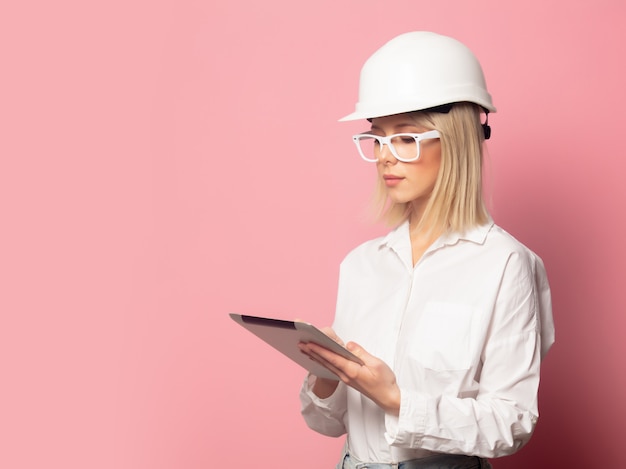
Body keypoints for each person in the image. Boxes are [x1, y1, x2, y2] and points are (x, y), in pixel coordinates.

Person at [298, 31, 555, 469]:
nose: (384, 157)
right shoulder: (362, 265)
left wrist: (395, 398)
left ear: (455, 141)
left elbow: (512, 421)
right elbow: (329, 424)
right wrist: (326, 379)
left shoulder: (505, 265)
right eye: (377, 138)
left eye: (405, 138)